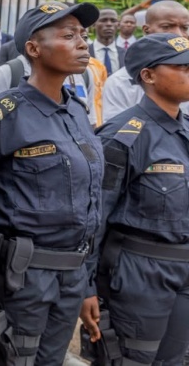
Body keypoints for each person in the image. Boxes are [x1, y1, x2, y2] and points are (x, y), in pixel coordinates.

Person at [0, 2, 104, 366]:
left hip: (71, 274)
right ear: (33, 48)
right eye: (68, 36)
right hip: (20, 277)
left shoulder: (76, 110)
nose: (82, 44)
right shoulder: (0, 115)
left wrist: (87, 282)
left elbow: (90, 204)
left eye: (83, 35)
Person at [81, 33, 189, 365]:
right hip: (137, 272)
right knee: (130, 359)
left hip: (182, 268)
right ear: (149, 75)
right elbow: (94, 216)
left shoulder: (185, 131)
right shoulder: (124, 135)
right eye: (181, 67)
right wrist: (86, 286)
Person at [100, 0, 189, 121]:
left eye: (185, 28)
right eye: (167, 27)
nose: (179, 34)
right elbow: (119, 133)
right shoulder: (119, 82)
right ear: (146, 30)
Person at [90, 9, 121, 75]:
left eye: (113, 21)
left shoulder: (126, 55)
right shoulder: (85, 52)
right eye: (103, 20)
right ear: (94, 25)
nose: (109, 24)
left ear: (118, 25)